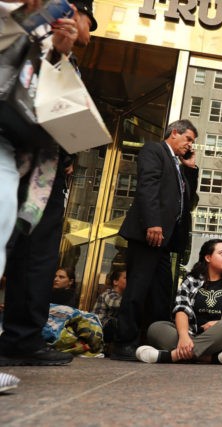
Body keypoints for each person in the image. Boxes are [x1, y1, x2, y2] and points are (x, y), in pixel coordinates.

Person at [0, 0, 98, 367]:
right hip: (17, 159)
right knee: (19, 248)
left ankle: (22, 338)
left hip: (45, 169)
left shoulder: (60, 47)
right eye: (89, 20)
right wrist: (57, 51)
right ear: (73, 12)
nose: (88, 30)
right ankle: (21, 338)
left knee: (33, 256)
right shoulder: (29, 28)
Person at [110, 119, 199, 361]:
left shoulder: (179, 165)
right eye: (188, 139)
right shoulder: (155, 150)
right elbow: (147, 187)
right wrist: (153, 222)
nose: (190, 145)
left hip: (165, 242)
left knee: (161, 295)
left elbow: (189, 203)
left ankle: (152, 342)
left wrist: (190, 169)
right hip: (148, 233)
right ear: (174, 133)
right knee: (137, 290)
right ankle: (123, 344)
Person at [135, 239, 222, 364]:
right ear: (208, 257)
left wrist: (219, 324)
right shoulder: (191, 281)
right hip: (190, 334)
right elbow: (181, 309)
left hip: (219, 338)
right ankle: (211, 358)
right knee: (156, 328)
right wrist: (184, 336)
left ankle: (170, 356)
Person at [92, 266, 127, 343]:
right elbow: (116, 304)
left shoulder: (120, 296)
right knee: (114, 323)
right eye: (125, 278)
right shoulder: (109, 293)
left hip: (105, 329)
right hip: (99, 327)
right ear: (115, 282)